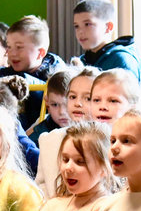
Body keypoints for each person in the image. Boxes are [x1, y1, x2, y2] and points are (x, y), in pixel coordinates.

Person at [36, 66, 99, 199]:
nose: (77, 103)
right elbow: (41, 189)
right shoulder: (49, 140)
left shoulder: (107, 141)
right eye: (72, 97)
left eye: (87, 98)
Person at [0, 15, 65, 129]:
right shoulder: (6, 74)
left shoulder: (55, 74)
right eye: (9, 47)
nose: (12, 53)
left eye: (19, 47)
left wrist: (25, 80)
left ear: (40, 53)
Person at [74, 0, 141, 81]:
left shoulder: (121, 60)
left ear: (108, 27)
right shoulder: (82, 61)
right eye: (76, 26)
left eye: (87, 24)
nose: (80, 31)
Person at [27, 68, 72, 146]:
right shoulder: (38, 136)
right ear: (47, 103)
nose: (62, 112)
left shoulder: (90, 130)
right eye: (55, 105)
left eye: (67, 104)